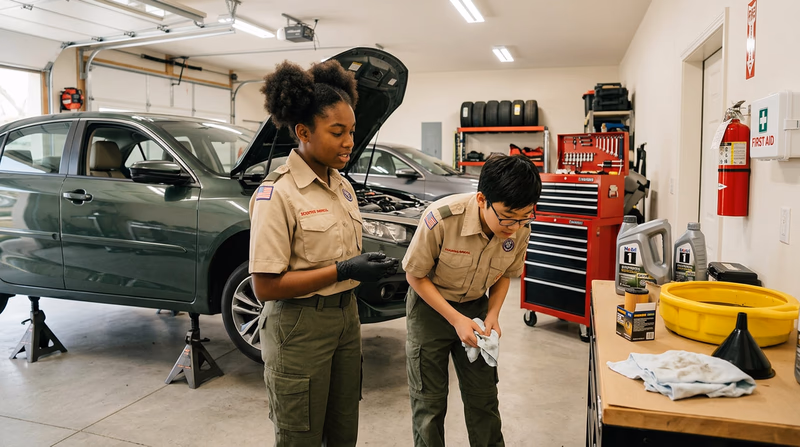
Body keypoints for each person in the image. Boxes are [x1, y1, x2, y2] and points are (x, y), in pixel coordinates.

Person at [249, 59, 398, 447]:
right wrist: (343, 269)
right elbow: (265, 286)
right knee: (301, 434)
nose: (349, 141)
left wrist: (364, 268)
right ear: (303, 132)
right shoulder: (277, 194)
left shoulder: (343, 186)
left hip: (346, 320)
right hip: (299, 328)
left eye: (351, 131)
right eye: (337, 132)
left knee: (344, 427)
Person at [402, 154, 542, 447]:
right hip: (431, 308)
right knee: (429, 402)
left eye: (524, 216)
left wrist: (493, 315)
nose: (514, 227)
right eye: (507, 216)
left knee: (484, 398)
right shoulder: (441, 218)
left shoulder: (520, 227)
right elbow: (415, 276)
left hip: (477, 308)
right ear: (482, 199)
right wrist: (455, 319)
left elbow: (506, 272)